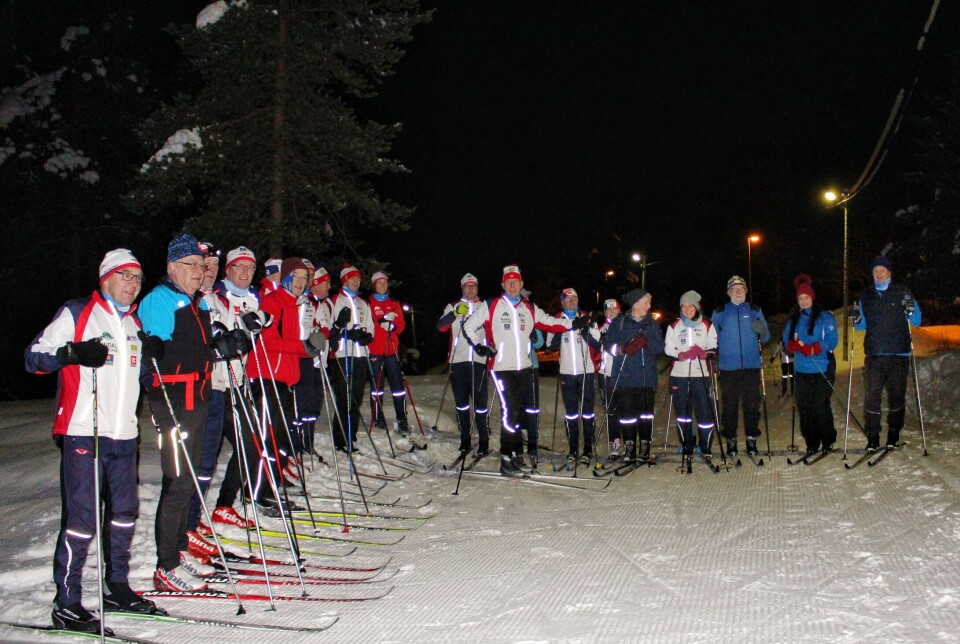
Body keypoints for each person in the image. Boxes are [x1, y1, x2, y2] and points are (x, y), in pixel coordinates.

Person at [25, 249, 159, 633]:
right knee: (82, 518)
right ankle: (66, 602)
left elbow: (143, 378)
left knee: (124, 513)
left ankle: (116, 586)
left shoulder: (134, 323)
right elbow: (33, 358)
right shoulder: (77, 312)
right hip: (84, 428)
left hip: (125, 433)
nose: (132, 284)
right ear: (106, 278)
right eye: (125, 276)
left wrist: (154, 358)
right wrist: (72, 353)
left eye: (137, 278)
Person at [139, 232, 241, 591]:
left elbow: (197, 348)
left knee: (192, 481)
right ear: (172, 267)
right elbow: (160, 355)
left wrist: (221, 346)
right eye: (191, 266)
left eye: (202, 266)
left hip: (198, 397)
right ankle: (165, 565)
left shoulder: (196, 303)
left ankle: (180, 553)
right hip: (173, 400)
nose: (199, 272)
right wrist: (215, 351)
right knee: (178, 482)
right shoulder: (160, 300)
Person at [462, 265, 583, 476]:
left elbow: (550, 322)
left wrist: (573, 323)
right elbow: (468, 326)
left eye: (515, 282)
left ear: (521, 284)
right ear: (502, 284)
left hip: (525, 368)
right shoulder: (492, 305)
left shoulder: (529, 307)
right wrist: (479, 346)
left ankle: (516, 454)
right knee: (510, 413)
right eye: (508, 282)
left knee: (518, 415)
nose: (511, 286)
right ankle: (506, 458)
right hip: (501, 368)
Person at [192, 246, 260, 536]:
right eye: (203, 265)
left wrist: (247, 334)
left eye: (212, 265)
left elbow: (240, 336)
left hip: (234, 384)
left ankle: (223, 505)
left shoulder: (220, 300)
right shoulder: (190, 302)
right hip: (207, 388)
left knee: (251, 445)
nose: (209, 270)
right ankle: (190, 519)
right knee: (203, 457)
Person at [245, 257, 317, 514]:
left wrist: (309, 347)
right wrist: (303, 347)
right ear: (285, 278)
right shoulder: (273, 302)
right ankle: (257, 492)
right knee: (269, 439)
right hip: (266, 378)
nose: (300, 282)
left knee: (283, 438)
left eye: (304, 278)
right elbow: (267, 342)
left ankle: (270, 485)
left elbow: (293, 344)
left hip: (285, 380)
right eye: (295, 277)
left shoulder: (296, 305)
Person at [852, 255, 922, 452]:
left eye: (882, 270)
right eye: (875, 271)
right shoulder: (866, 296)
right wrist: (856, 319)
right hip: (874, 354)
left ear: (889, 272)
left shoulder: (902, 291)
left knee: (896, 396)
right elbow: (860, 326)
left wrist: (911, 309)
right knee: (872, 396)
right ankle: (873, 437)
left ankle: (893, 434)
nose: (879, 274)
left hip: (898, 354)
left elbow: (916, 320)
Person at [602, 288, 664, 463]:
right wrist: (622, 349)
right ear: (636, 303)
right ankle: (630, 448)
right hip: (624, 378)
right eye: (646, 302)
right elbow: (608, 345)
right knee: (627, 415)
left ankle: (645, 447)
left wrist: (647, 342)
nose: (649, 305)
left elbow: (660, 348)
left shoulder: (652, 324)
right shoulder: (620, 323)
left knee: (645, 415)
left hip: (646, 378)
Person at [711, 275, 770, 456]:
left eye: (741, 288)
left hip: (751, 366)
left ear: (746, 291)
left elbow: (766, 337)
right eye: (734, 289)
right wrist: (713, 357)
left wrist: (762, 330)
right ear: (729, 292)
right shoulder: (720, 312)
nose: (737, 291)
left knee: (752, 405)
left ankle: (751, 438)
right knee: (729, 405)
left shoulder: (754, 309)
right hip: (728, 368)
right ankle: (731, 439)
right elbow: (711, 339)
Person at [546, 288, 601, 466]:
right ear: (562, 301)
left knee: (587, 412)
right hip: (567, 373)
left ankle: (587, 449)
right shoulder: (557, 320)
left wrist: (584, 329)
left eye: (575, 298)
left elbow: (597, 344)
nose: (572, 301)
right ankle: (573, 449)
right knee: (571, 414)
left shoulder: (587, 318)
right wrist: (563, 329)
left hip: (586, 372)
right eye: (568, 299)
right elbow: (551, 347)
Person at [783, 275, 838, 454]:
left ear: (812, 298)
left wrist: (814, 348)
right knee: (805, 407)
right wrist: (790, 347)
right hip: (802, 370)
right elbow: (787, 343)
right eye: (800, 299)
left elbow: (832, 342)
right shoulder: (793, 321)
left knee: (820, 405)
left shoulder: (825, 318)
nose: (804, 301)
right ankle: (812, 442)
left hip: (822, 367)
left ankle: (828, 439)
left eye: (806, 298)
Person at [436, 273, 490, 455]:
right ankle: (465, 439)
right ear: (462, 288)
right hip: (458, 361)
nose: (470, 289)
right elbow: (441, 326)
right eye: (467, 286)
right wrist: (454, 314)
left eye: (473, 286)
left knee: (480, 403)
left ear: (477, 288)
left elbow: (493, 330)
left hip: (479, 360)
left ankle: (484, 440)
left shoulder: (484, 307)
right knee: (462, 403)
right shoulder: (453, 306)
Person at [664, 290, 718, 469]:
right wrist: (680, 354)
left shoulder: (707, 325)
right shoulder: (674, 326)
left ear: (697, 307)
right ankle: (687, 444)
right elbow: (668, 349)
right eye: (684, 306)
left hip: (700, 375)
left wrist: (704, 353)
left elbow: (713, 347)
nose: (687, 309)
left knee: (704, 413)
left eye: (690, 306)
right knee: (684, 415)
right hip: (679, 376)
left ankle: (705, 446)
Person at [329, 263, 375, 452]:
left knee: (356, 396)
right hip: (342, 355)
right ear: (344, 280)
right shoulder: (335, 301)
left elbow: (370, 325)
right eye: (351, 278)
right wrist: (346, 333)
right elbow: (331, 328)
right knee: (344, 397)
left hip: (360, 356)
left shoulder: (362, 303)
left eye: (357, 279)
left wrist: (368, 336)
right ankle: (340, 439)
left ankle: (351, 435)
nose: (355, 282)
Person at [367, 271, 410, 436]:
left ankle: (401, 417)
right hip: (376, 350)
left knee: (398, 386)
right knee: (376, 388)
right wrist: (380, 324)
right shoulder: (369, 303)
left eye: (385, 282)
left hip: (391, 350)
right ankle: (377, 416)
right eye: (379, 283)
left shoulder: (394, 303)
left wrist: (393, 326)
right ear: (374, 285)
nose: (383, 286)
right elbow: (369, 324)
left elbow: (401, 324)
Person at [597, 299, 622, 462]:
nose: (611, 312)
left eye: (614, 309)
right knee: (611, 409)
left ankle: (629, 440)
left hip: (622, 374)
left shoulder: (623, 327)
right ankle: (615, 442)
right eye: (608, 310)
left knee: (625, 409)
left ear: (619, 311)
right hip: (605, 373)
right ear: (605, 312)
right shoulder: (600, 329)